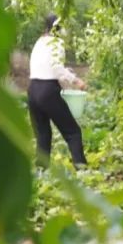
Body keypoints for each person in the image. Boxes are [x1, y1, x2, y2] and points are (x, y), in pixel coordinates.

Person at [28, 13, 88, 168]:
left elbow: (47, 67)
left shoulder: (39, 42)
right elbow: (57, 69)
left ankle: (41, 171)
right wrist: (76, 81)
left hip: (32, 90)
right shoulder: (57, 43)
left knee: (43, 134)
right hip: (47, 91)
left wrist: (67, 76)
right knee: (73, 132)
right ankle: (81, 169)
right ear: (58, 27)